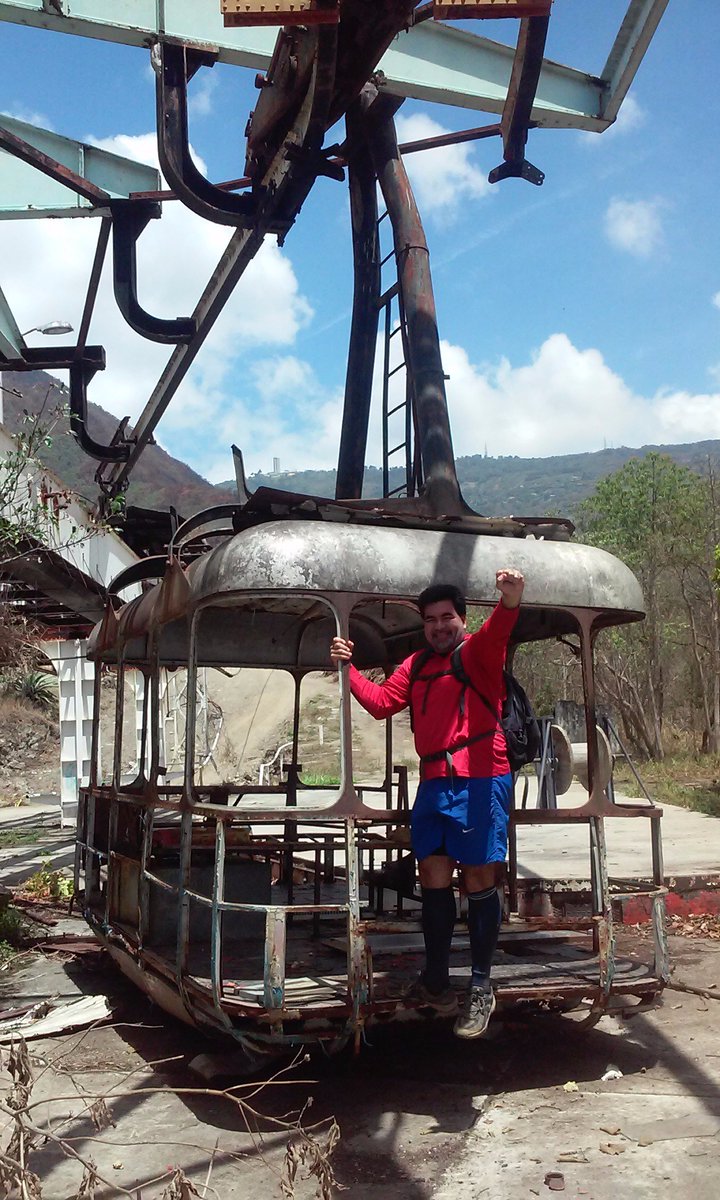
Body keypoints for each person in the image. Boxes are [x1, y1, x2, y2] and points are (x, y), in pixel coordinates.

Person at [330, 569, 524, 1039]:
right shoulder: (415, 665)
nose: (440, 626)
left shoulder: (478, 651)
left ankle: (481, 987)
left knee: (480, 879)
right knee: (432, 878)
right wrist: (348, 669)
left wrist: (511, 598)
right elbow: (381, 704)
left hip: (481, 778)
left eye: (447, 618)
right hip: (434, 782)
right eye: (432, 619)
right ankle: (436, 980)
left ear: (462, 619)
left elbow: (500, 628)